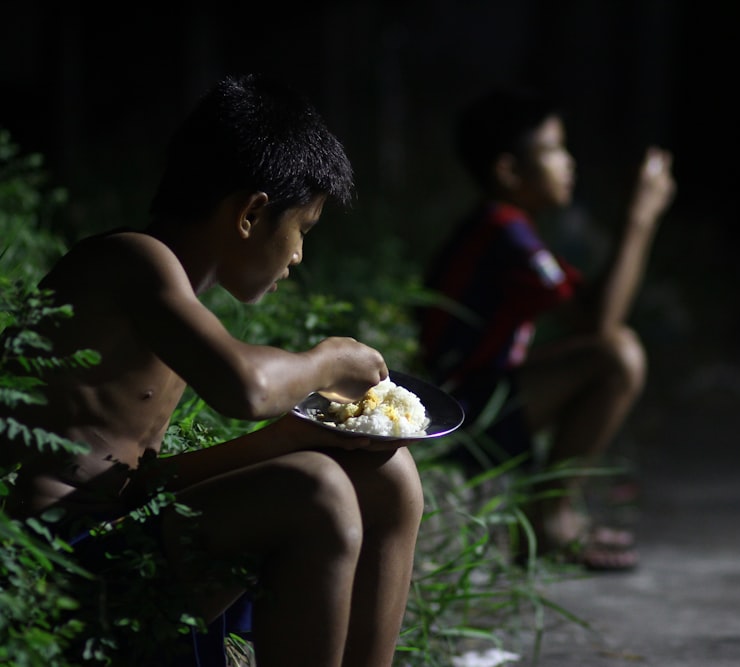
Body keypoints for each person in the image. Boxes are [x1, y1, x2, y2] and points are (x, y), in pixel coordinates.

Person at [0, 73, 423, 667]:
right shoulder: (132, 263)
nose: (299, 256)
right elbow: (246, 387)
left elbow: (135, 486)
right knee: (318, 491)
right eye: (302, 231)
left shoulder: (174, 301)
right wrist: (331, 359)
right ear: (251, 213)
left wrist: (287, 440)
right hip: (57, 565)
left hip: (122, 529)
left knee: (389, 472)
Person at [417, 87, 675, 571]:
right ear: (509, 170)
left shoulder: (505, 226)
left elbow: (585, 314)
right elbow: (600, 322)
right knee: (618, 353)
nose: (568, 163)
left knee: (613, 347)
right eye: (554, 150)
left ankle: (554, 513)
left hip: (470, 393)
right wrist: (640, 219)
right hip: (462, 416)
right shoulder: (506, 232)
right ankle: (549, 520)